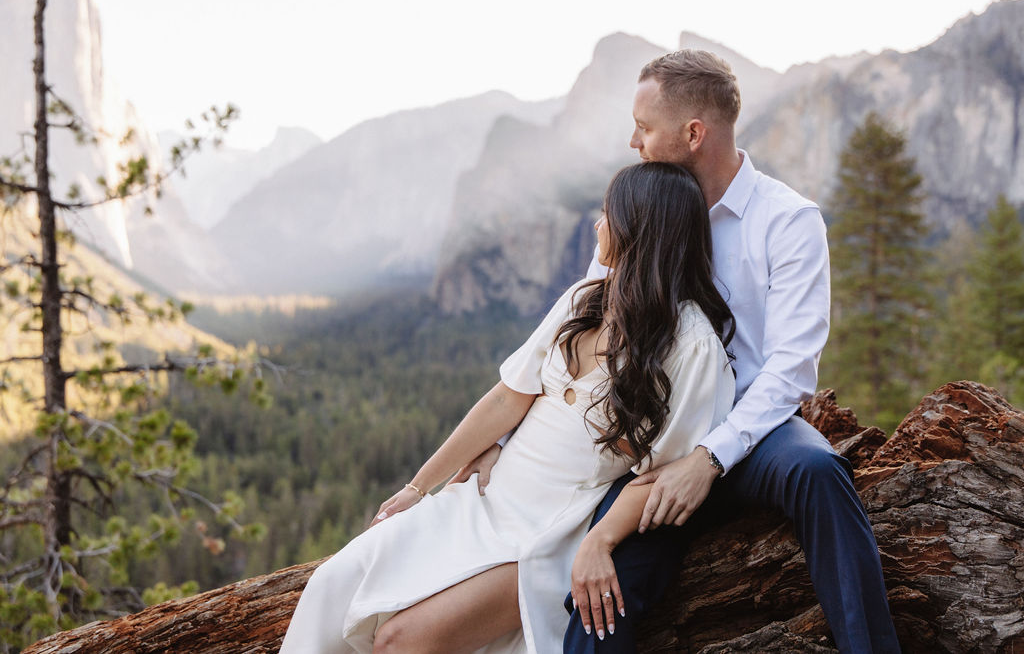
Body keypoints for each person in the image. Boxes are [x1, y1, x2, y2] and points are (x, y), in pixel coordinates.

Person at [462, 50, 901, 653]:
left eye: (644, 128)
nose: (633, 141)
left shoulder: (788, 221)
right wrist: (507, 447)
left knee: (819, 472)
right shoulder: (642, 213)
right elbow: (579, 345)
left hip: (753, 435)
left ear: (694, 134)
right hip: (651, 449)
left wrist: (710, 458)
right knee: (601, 584)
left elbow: (791, 369)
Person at [278, 162, 737, 654]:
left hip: (544, 536)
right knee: (331, 586)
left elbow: (663, 479)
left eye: (609, 213)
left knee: (399, 640)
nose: (598, 223)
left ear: (641, 230)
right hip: (484, 499)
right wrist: (419, 486)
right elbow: (506, 397)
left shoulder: (691, 346)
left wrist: (600, 541)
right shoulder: (585, 300)